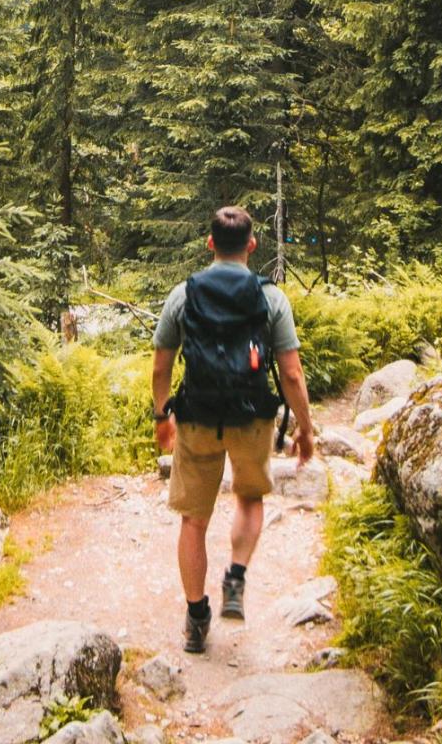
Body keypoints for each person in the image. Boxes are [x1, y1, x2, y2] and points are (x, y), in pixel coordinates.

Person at [151, 206, 315, 654]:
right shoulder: (271, 298)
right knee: (248, 497)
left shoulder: (183, 295)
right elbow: (292, 374)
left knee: (193, 519)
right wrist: (305, 429)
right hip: (251, 418)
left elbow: (161, 365)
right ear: (251, 245)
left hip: (198, 417)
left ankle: (196, 617)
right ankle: (236, 577)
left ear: (209, 245)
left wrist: (162, 416)